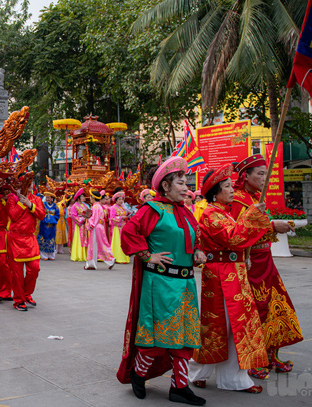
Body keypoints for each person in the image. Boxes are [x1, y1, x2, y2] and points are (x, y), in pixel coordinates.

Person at [116, 157, 207, 406]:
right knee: (158, 339)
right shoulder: (152, 209)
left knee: (186, 338)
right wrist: (147, 255)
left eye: (186, 181)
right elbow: (129, 232)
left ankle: (179, 388)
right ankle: (138, 373)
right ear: (165, 186)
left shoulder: (185, 211)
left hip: (186, 284)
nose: (186, 187)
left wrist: (198, 251)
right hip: (160, 284)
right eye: (180, 182)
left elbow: (193, 239)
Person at [189, 164, 272, 394]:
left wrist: (252, 215)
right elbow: (233, 238)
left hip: (232, 274)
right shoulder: (210, 214)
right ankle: (198, 372)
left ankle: (234, 379)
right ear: (215, 192)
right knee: (217, 327)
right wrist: (253, 215)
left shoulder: (222, 212)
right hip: (219, 276)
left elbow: (239, 240)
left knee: (233, 326)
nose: (232, 190)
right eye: (226, 187)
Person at [230, 155, 302, 378]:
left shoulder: (255, 198)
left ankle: (271, 355)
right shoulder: (238, 199)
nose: (265, 177)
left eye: (265, 172)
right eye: (260, 173)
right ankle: (254, 359)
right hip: (249, 263)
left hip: (266, 260)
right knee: (255, 310)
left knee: (276, 306)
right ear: (245, 176)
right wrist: (271, 226)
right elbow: (236, 232)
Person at [6, 182, 46, 311]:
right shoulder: (12, 198)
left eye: (31, 183)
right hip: (15, 238)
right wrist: (21, 203)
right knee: (17, 273)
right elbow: (13, 215)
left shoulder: (36, 199)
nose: (30, 185)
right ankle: (18, 299)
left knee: (34, 268)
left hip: (30, 238)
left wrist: (30, 205)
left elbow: (41, 215)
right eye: (27, 183)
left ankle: (27, 293)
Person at [85, 190, 115, 270]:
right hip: (100, 227)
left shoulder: (95, 207)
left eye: (91, 197)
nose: (90, 198)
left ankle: (92, 264)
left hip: (96, 227)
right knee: (102, 244)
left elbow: (94, 219)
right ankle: (110, 260)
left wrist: (89, 223)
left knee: (93, 246)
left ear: (93, 198)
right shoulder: (98, 206)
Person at [69, 188, 90, 262]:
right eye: (82, 197)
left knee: (86, 239)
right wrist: (82, 220)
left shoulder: (85, 205)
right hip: (79, 225)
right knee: (80, 239)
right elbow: (73, 216)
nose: (84, 198)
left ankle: (85, 255)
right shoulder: (75, 206)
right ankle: (79, 255)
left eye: (84, 197)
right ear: (78, 198)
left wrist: (88, 218)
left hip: (85, 225)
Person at [109, 190, 130, 264]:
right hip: (117, 228)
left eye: (122, 199)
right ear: (116, 200)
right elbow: (112, 218)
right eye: (119, 199)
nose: (121, 201)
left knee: (123, 242)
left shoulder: (122, 207)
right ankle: (118, 257)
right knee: (118, 242)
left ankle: (123, 257)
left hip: (123, 226)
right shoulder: (113, 208)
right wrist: (121, 218)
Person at [38, 192, 60, 260]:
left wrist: (51, 219)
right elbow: (40, 212)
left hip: (52, 226)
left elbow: (57, 215)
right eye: (46, 197)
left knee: (51, 239)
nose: (47, 199)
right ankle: (44, 255)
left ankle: (51, 255)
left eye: (49, 197)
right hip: (44, 225)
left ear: (52, 198)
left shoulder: (55, 206)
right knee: (44, 238)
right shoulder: (43, 204)